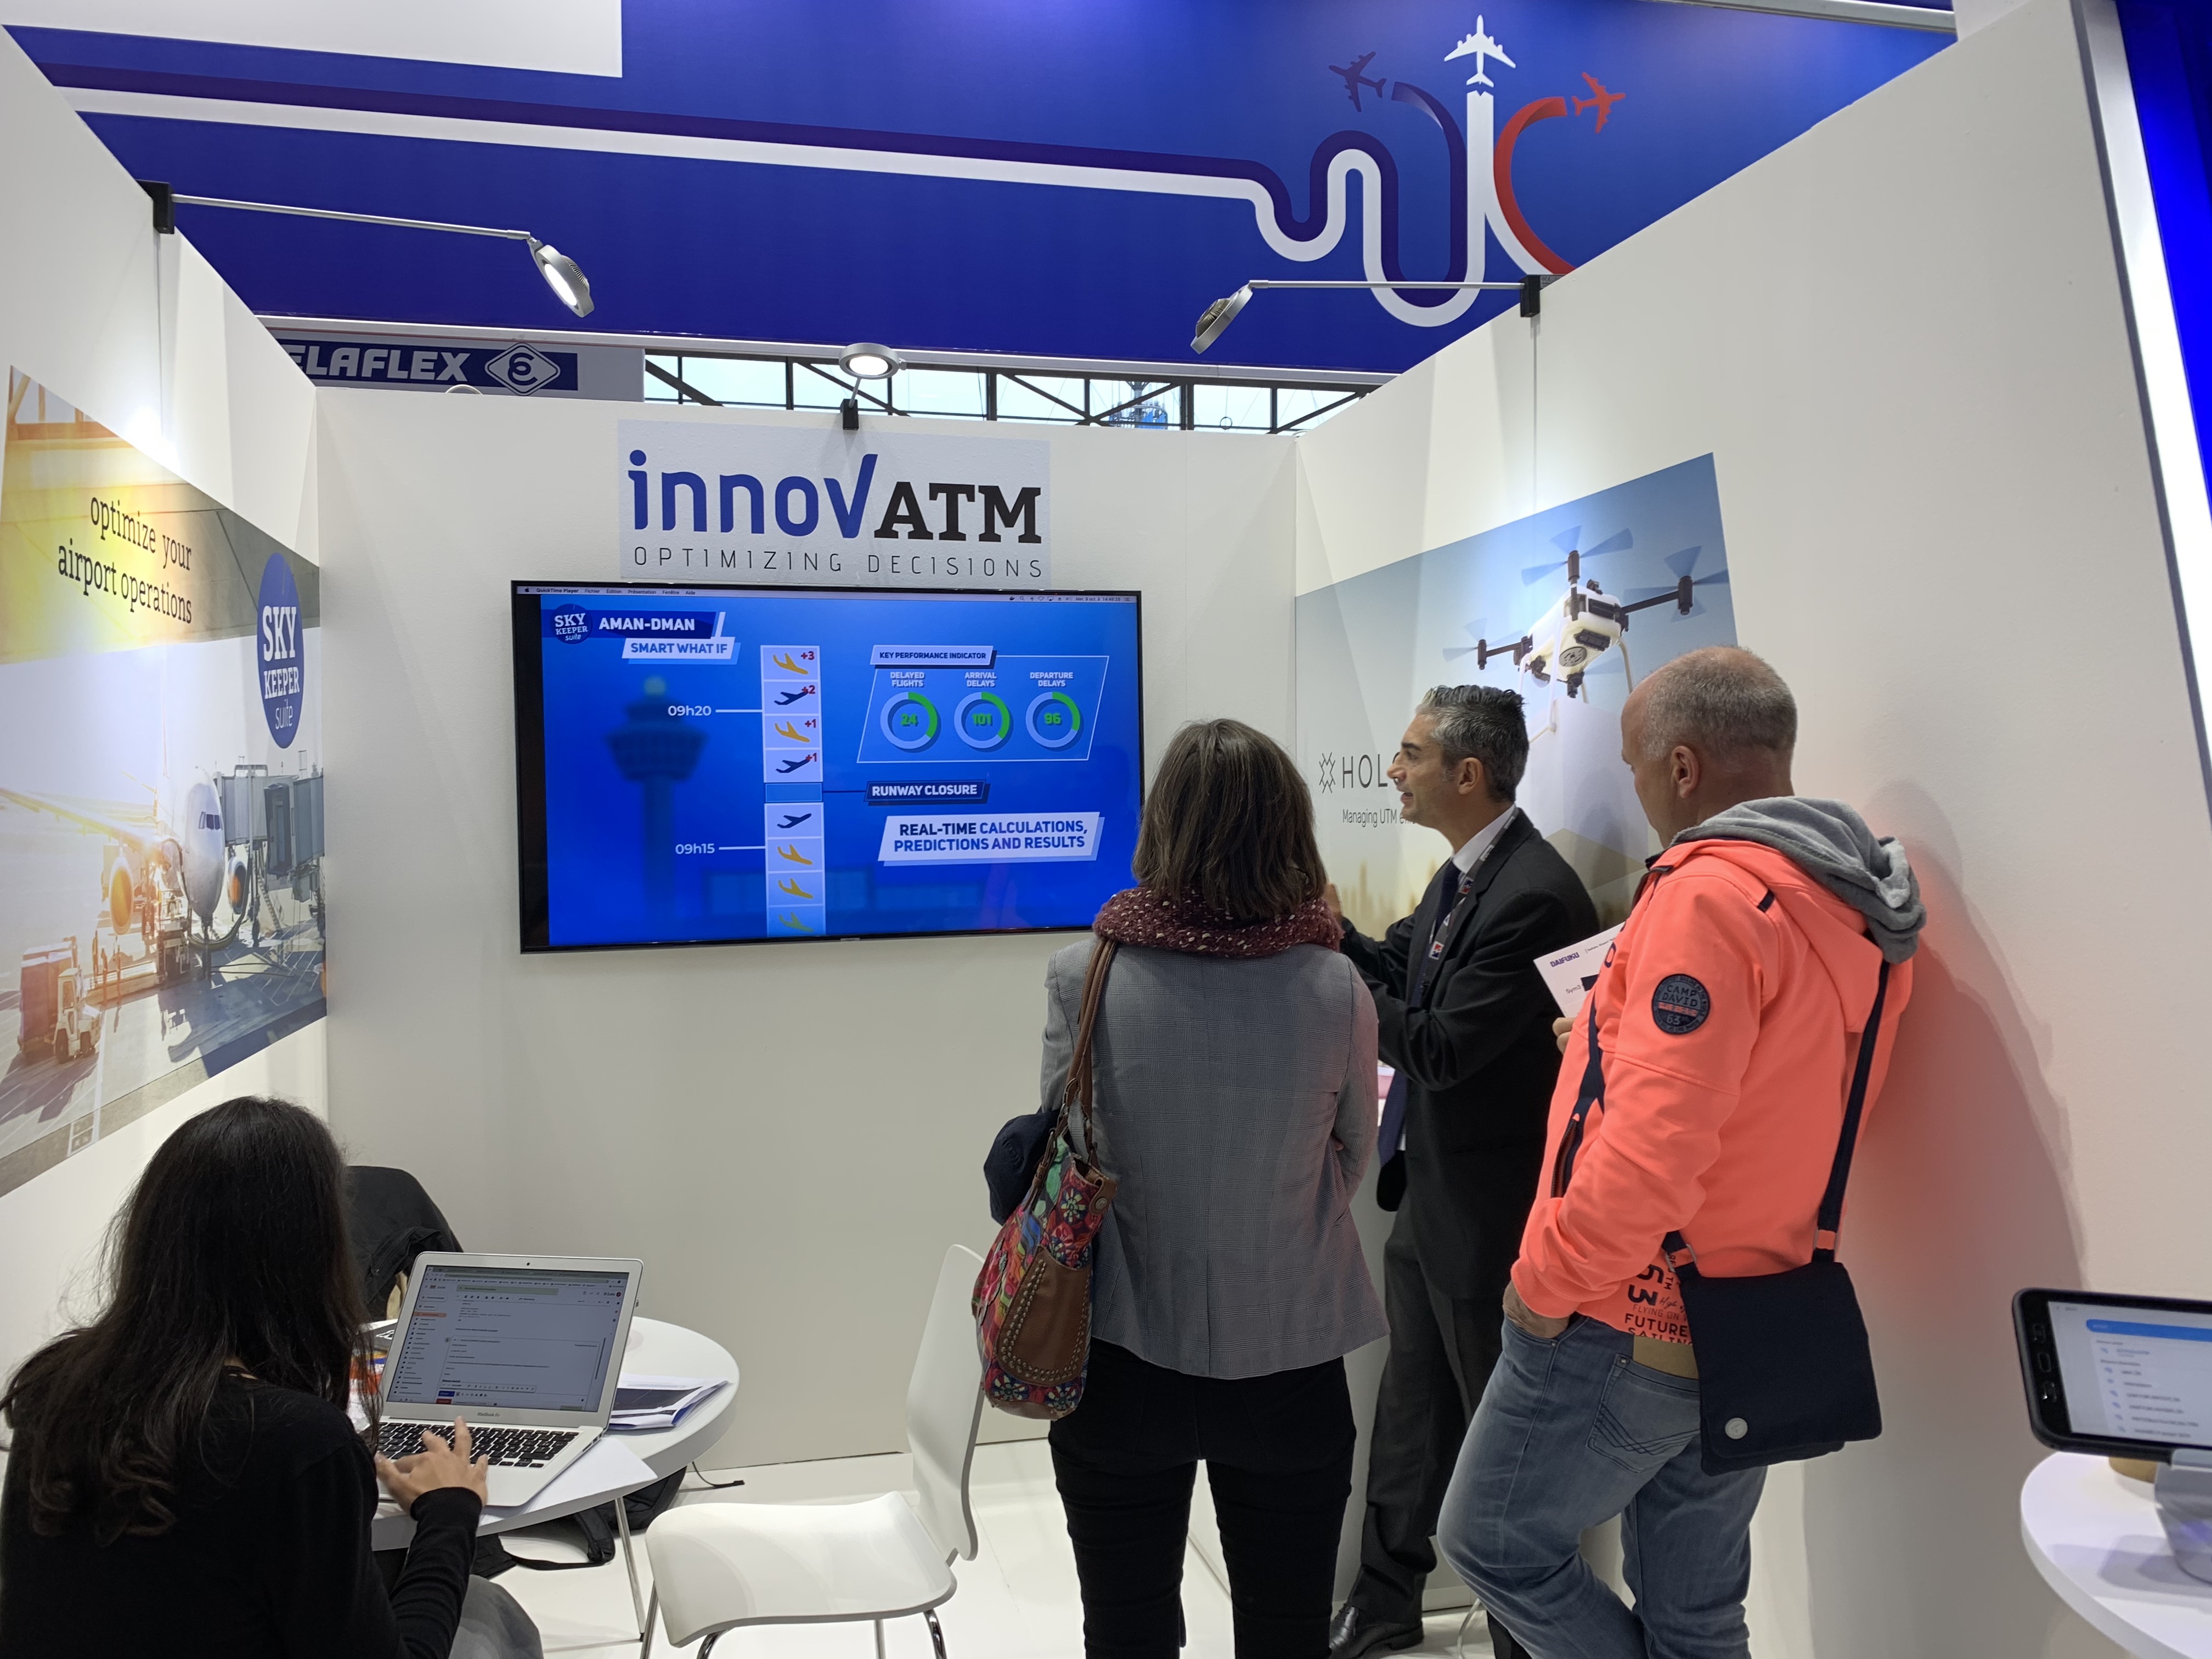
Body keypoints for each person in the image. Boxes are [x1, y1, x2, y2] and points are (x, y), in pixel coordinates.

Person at [1437, 647, 1923, 1659]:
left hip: (1629, 1311)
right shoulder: (1854, 902)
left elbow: (1655, 1151)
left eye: (1636, 767)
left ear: (1685, 766)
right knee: (1696, 1617)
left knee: (1492, 1541)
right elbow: (1777, 1098)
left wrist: (1547, 1281)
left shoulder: (1707, 897)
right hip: (1756, 1315)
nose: (1639, 788)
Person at [1042, 718, 1386, 1659]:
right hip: (1289, 1357)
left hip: (1119, 1357)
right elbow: (1351, 1157)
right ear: (1290, 831)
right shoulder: (1336, 986)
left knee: (1126, 1631)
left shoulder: (1085, 973)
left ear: (1161, 825)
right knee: (1286, 1635)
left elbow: (1068, 1151)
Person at [0, 1096, 543, 1659]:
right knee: (490, 1613)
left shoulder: (53, 1388)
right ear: (312, 1256)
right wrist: (450, 1509)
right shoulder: (297, 1442)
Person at [1324, 685, 1597, 1659]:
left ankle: (1526, 1643)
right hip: (1432, 1205)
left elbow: (1438, 1048)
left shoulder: (1534, 895)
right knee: (1409, 1423)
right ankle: (1385, 1603)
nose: (1393, 771)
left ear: (1467, 772)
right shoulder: (1464, 875)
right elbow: (1397, 963)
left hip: (1495, 1228)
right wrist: (1333, 935)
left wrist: (1340, 979)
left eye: (1410, 754)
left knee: (1503, 1465)